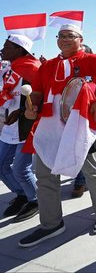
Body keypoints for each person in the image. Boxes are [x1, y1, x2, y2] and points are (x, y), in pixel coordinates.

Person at [19, 24, 96, 247]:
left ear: (80, 39)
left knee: (91, 171)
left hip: (80, 126)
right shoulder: (47, 66)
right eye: (60, 36)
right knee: (44, 176)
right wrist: (31, 106)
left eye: (69, 36)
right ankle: (51, 224)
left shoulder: (91, 59)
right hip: (49, 127)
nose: (64, 39)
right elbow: (37, 91)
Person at [0, 34, 40, 222]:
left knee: (21, 169)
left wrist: (23, 110)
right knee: (1, 166)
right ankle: (22, 194)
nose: (2, 50)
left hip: (26, 126)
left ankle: (35, 200)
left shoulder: (32, 68)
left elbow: (42, 95)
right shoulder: (10, 68)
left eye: (6, 46)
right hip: (9, 126)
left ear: (19, 49)